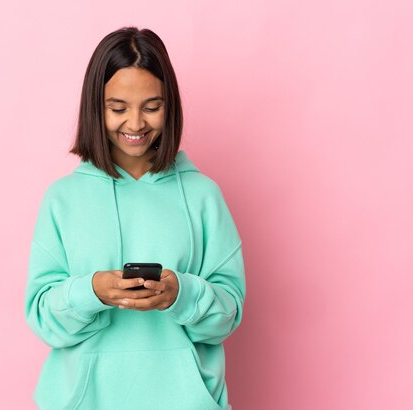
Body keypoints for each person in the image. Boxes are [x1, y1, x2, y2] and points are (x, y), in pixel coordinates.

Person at [24, 26, 246, 410]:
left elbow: (228, 315)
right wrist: (91, 291)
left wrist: (182, 294)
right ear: (95, 107)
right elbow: (43, 319)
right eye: (118, 108)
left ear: (170, 105)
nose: (135, 123)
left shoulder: (202, 195)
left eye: (152, 106)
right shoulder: (63, 199)